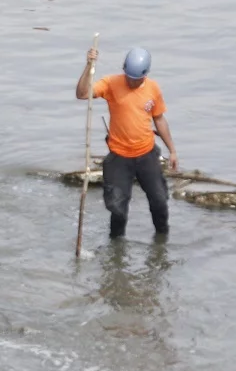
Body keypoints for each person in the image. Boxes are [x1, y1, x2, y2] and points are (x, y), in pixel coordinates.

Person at [75, 47, 179, 239]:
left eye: (136, 79)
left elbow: (159, 120)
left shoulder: (153, 88)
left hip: (146, 154)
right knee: (117, 207)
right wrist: (89, 64)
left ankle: (161, 241)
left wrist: (172, 150)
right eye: (129, 77)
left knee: (159, 201)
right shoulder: (111, 84)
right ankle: (116, 248)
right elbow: (82, 94)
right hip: (119, 157)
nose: (131, 82)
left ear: (145, 75)